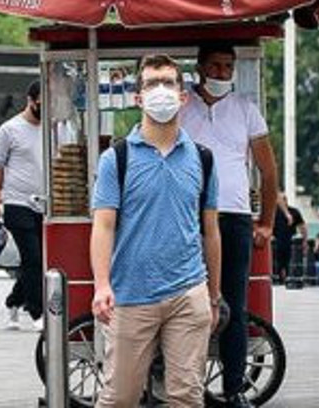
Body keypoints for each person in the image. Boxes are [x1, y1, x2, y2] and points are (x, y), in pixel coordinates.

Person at [91, 54, 221, 408]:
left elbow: (211, 231)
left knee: (187, 398)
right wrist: (102, 284)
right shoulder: (115, 159)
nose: (160, 91)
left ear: (183, 96)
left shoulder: (203, 159)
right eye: (151, 83)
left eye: (168, 83)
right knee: (120, 398)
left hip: (188, 293)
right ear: (137, 98)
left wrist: (213, 294)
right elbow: (103, 225)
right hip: (130, 295)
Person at [178, 42, 278, 408]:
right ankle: (182, 386)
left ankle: (233, 389)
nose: (223, 73)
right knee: (185, 302)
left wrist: (266, 223)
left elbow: (268, 171)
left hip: (234, 217)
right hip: (187, 215)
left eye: (228, 67)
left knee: (231, 304)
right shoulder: (181, 106)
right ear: (200, 67)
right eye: (216, 66)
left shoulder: (246, 109)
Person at [0, 80, 45, 331]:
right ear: (31, 100)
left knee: (41, 261)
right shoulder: (9, 130)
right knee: (32, 258)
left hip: (46, 204)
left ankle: (13, 301)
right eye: (41, 102)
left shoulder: (56, 127)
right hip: (17, 202)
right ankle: (37, 312)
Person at [271, 194, 305, 282]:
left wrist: (304, 240)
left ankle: (288, 278)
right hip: (277, 242)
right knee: (278, 263)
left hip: (290, 242)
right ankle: (279, 278)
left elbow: (302, 226)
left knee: (288, 262)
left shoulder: (294, 212)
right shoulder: (274, 212)